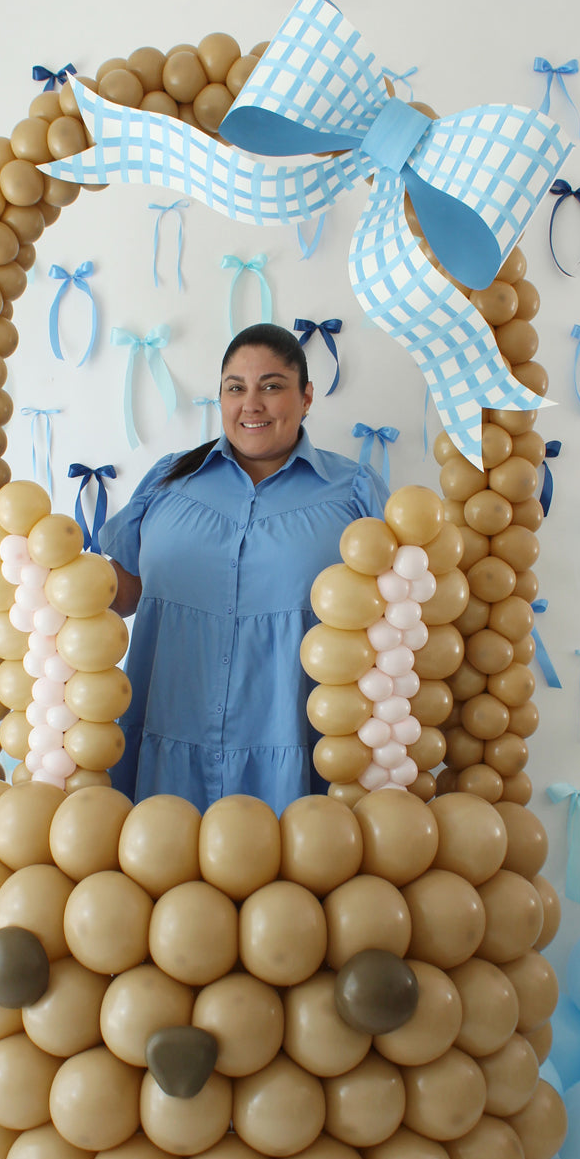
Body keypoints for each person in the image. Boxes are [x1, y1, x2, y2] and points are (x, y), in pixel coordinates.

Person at [100, 323, 389, 815]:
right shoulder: (168, 481)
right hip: (166, 730)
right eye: (236, 388)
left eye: (272, 386)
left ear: (307, 397)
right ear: (220, 398)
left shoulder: (354, 491)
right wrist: (54, 577)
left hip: (295, 745)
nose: (251, 405)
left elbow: (393, 619)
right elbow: (123, 594)